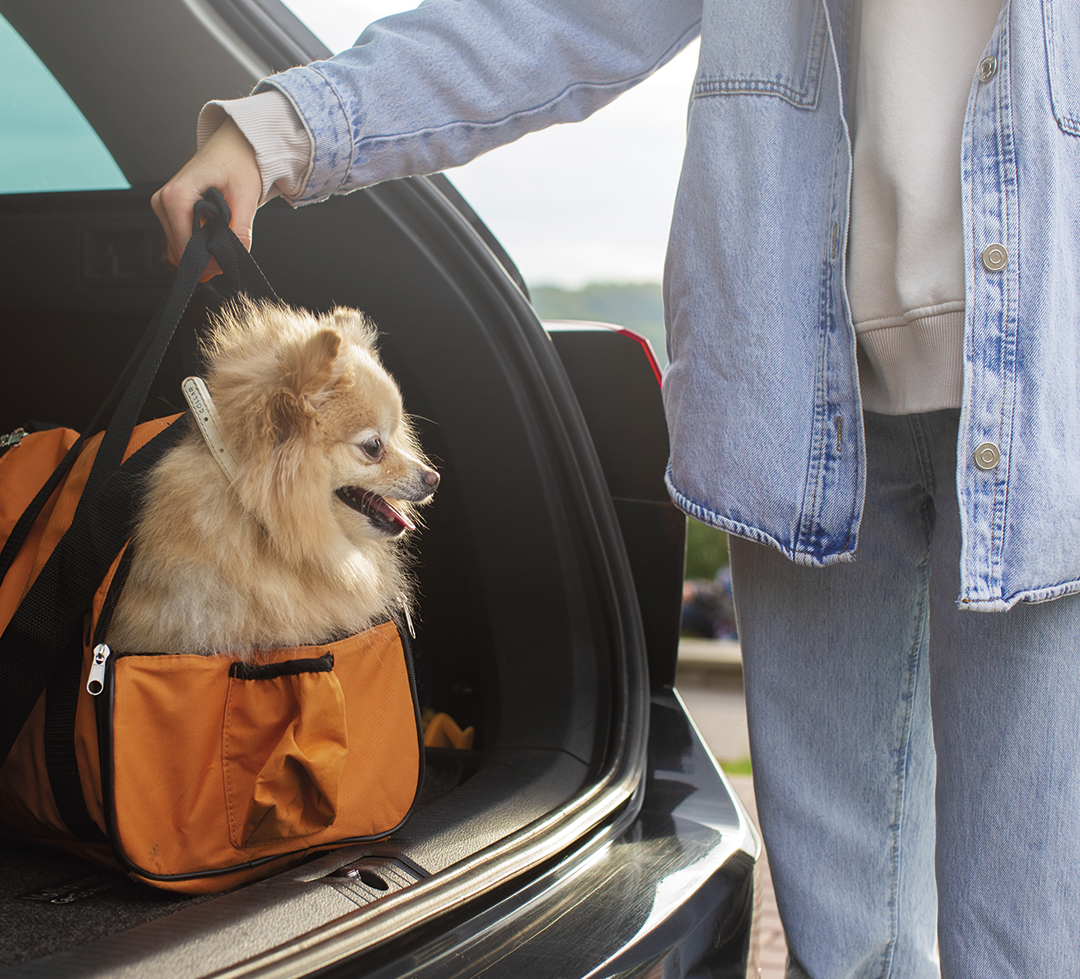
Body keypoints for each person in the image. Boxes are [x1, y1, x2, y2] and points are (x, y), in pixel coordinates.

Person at [152, 2, 1080, 975]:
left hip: (1053, 406)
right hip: (802, 408)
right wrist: (283, 129)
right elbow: (551, 16)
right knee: (843, 955)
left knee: (1029, 952)